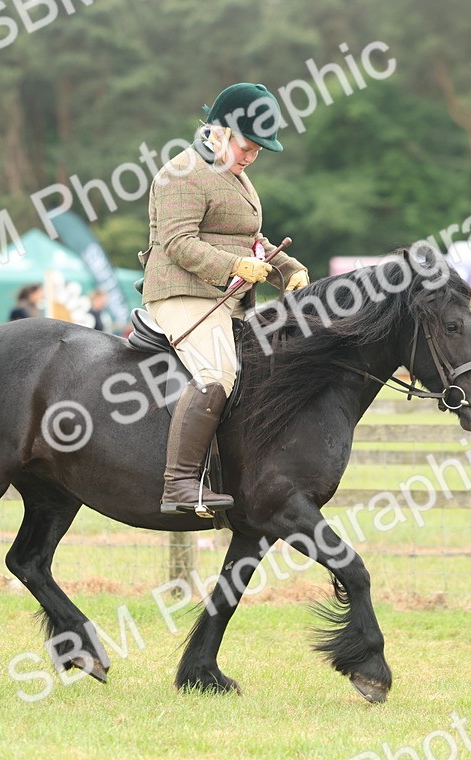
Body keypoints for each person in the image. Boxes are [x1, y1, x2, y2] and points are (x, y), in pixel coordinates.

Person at [140, 82, 311, 515]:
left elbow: (250, 238)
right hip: (181, 291)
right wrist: (234, 266)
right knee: (217, 371)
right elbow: (178, 242)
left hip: (227, 297)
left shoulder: (233, 173)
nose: (252, 156)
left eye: (258, 150)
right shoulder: (182, 173)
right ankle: (179, 485)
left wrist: (288, 269)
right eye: (248, 146)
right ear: (220, 133)